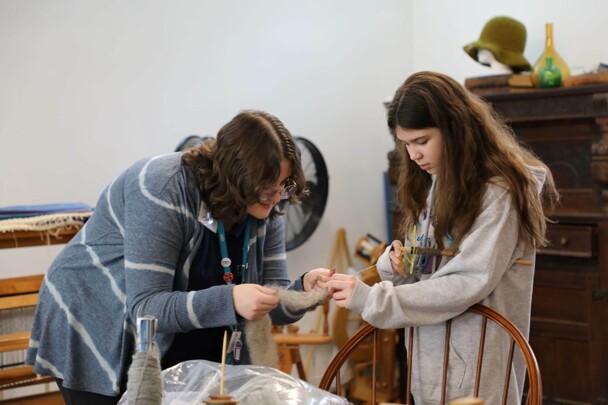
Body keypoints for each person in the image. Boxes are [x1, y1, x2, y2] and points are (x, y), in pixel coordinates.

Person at [25, 110, 334, 405]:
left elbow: (268, 302)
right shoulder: (163, 187)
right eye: (268, 188)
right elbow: (146, 307)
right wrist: (231, 300)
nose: (278, 196)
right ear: (236, 177)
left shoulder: (268, 208)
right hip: (95, 313)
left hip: (169, 332)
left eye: (285, 185)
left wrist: (303, 290)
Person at [327, 71, 558, 404]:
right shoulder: (438, 183)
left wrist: (372, 299)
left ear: (455, 130)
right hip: (430, 361)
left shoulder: (499, 193)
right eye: (405, 144)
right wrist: (395, 265)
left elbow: (467, 281)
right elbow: (429, 271)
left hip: (477, 371)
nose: (413, 155)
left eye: (421, 141)